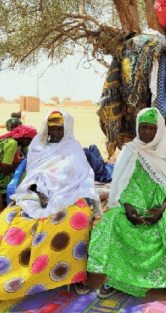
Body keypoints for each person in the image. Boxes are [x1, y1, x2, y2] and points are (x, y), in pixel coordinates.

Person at [87, 108, 166, 303]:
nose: (147, 132)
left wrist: (161, 209)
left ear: (159, 130)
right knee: (112, 220)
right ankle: (118, 279)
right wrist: (129, 207)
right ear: (138, 128)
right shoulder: (130, 150)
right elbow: (123, 184)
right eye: (144, 127)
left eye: (151, 128)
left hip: (162, 207)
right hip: (134, 205)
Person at [0, 110, 101, 300]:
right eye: (51, 128)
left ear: (67, 128)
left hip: (69, 195)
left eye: (59, 129)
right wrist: (39, 194)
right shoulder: (38, 146)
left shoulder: (73, 147)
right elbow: (32, 176)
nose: (55, 133)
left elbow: (81, 176)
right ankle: (11, 273)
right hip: (37, 193)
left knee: (76, 220)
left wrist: (62, 194)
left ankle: (73, 276)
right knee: (8, 220)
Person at [0, 125, 37, 210]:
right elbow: (5, 168)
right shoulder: (12, 144)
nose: (31, 143)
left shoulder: (19, 144)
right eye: (31, 141)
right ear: (25, 139)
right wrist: (22, 162)